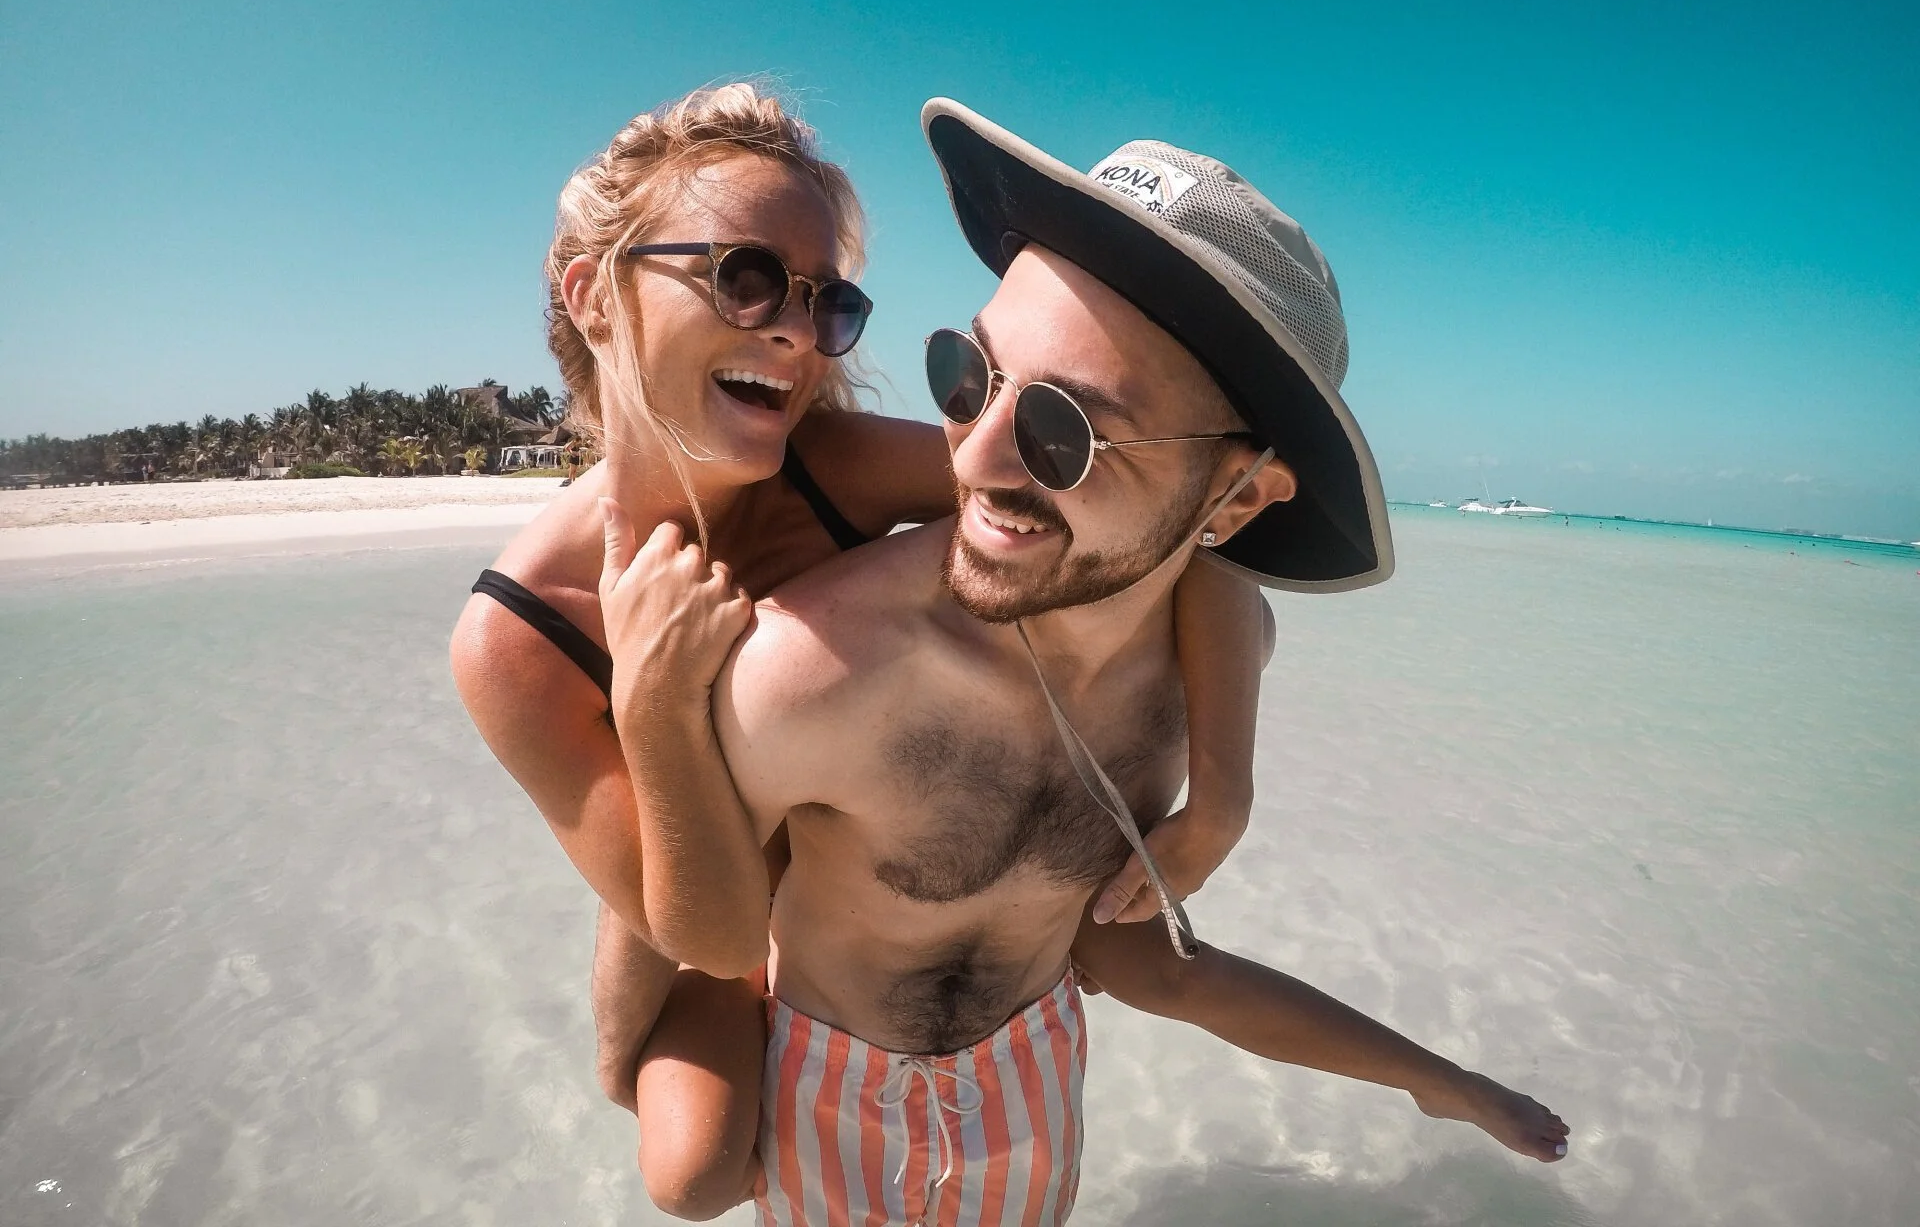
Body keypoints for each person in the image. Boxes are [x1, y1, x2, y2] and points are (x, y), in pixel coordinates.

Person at [579, 100, 1568, 1224]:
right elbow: (681, 917)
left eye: (1066, 434)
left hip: (1032, 1077)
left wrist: (1440, 1079)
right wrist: (623, 1058)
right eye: (967, 376)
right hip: (825, 1085)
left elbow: (1154, 963)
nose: (974, 461)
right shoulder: (813, 671)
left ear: (1242, 496)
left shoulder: (1204, 672)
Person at [452, 85, 1278, 1214]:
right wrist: (650, 700)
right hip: (675, 885)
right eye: (744, 277)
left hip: (811, 867)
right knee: (691, 1173)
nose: (795, 332)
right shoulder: (519, 635)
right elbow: (703, 925)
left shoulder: (834, 467)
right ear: (595, 294)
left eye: (827, 301)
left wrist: (1220, 799)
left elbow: (1170, 537)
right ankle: (666, 1046)